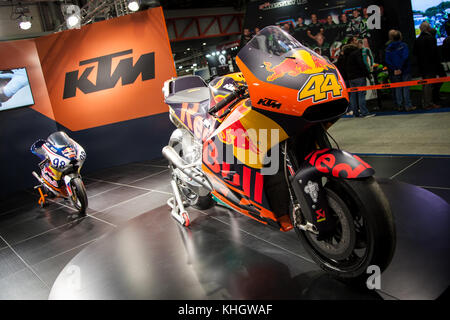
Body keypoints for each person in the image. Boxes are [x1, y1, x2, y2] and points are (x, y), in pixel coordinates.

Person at [343, 36, 374, 118]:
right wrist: (367, 74)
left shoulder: (345, 54)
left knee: (353, 95)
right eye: (355, 40)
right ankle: (364, 112)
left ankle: (355, 113)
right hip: (359, 76)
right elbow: (361, 64)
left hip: (350, 77)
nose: (357, 41)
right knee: (361, 94)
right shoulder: (357, 52)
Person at [385, 30, 416, 112]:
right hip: (404, 69)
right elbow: (405, 57)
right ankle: (408, 105)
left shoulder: (389, 48)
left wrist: (395, 69)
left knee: (398, 88)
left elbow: (387, 60)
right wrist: (399, 68)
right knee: (405, 87)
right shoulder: (403, 45)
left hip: (395, 71)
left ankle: (400, 106)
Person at [413, 21, 441, 109]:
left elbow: (414, 53)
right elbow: (434, 53)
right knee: (429, 85)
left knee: (425, 84)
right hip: (430, 65)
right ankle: (428, 103)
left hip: (421, 66)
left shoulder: (418, 39)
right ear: (428, 28)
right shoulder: (431, 38)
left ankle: (425, 102)